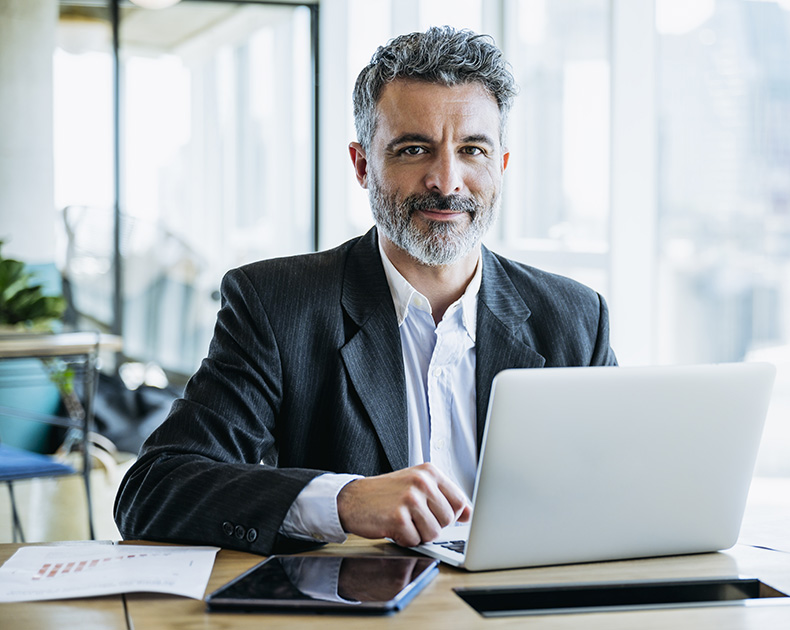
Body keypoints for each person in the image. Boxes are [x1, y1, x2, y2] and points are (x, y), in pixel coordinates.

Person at [115, 26, 617, 555]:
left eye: (472, 150)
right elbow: (153, 490)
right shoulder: (275, 305)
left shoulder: (576, 318)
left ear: (501, 166)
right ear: (362, 166)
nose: (446, 181)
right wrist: (343, 500)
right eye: (414, 149)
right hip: (359, 598)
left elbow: (620, 489)